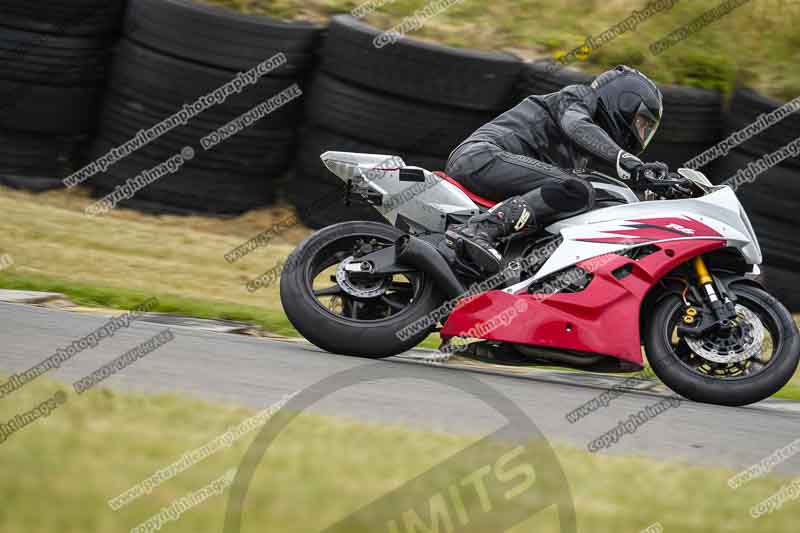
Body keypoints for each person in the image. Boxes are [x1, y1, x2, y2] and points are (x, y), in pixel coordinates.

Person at [445, 64, 669, 274]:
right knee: (576, 189)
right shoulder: (578, 96)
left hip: (488, 166)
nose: (642, 135)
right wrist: (626, 160)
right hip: (481, 156)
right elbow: (576, 124)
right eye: (641, 124)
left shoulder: (581, 155)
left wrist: (650, 190)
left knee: (587, 195)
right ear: (625, 101)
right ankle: (479, 230)